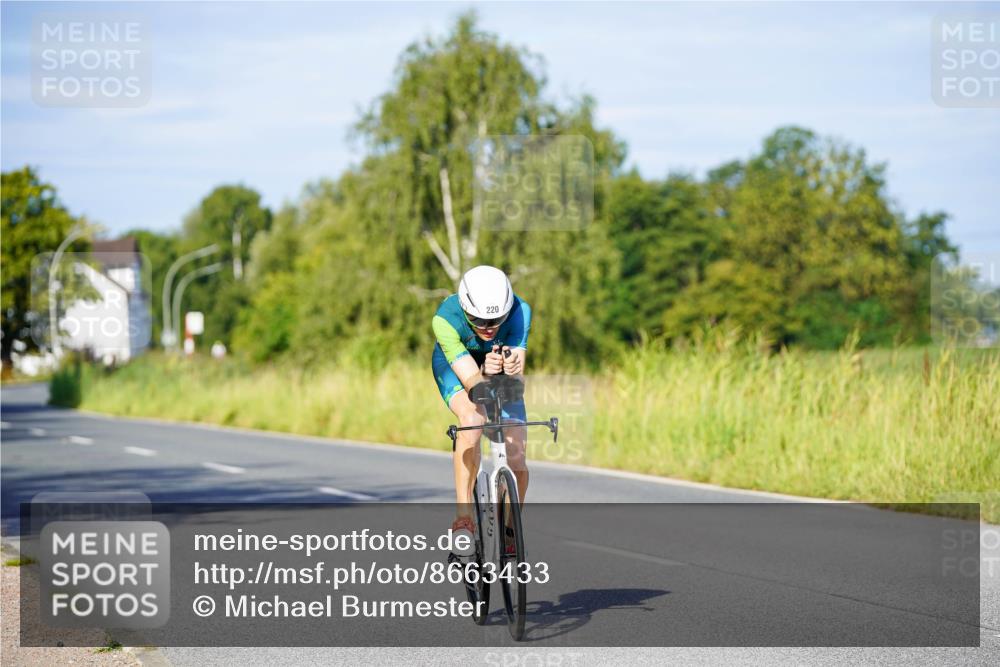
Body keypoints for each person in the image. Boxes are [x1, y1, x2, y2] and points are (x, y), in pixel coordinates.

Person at [431, 265, 531, 557]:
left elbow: (515, 375)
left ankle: (511, 531)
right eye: (477, 320)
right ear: (464, 309)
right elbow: (473, 382)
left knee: (519, 458)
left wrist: (512, 368)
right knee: (472, 419)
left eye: (496, 319)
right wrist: (485, 376)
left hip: (495, 366)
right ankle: (463, 517)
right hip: (457, 368)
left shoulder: (520, 311)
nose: (488, 327)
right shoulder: (445, 320)